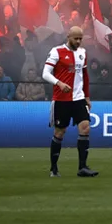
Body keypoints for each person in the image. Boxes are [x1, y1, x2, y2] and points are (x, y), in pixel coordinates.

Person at [43, 26, 98, 178]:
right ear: (68, 37)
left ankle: (82, 167)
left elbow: (84, 76)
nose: (78, 41)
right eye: (76, 38)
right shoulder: (57, 51)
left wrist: (87, 97)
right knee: (60, 132)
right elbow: (45, 73)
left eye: (80, 39)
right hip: (62, 99)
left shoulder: (82, 53)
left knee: (85, 127)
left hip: (78, 98)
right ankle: (54, 168)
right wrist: (59, 83)